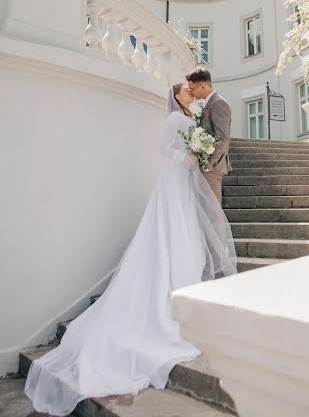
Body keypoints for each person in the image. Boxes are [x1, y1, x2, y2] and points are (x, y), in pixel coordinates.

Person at [24, 83, 237, 417]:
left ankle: (185, 287)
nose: (190, 95)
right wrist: (190, 154)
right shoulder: (172, 120)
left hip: (183, 188)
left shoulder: (188, 116)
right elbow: (167, 153)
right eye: (185, 91)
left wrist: (197, 151)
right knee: (172, 240)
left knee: (189, 243)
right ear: (178, 96)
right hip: (173, 188)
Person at [186, 68, 232, 205]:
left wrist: (209, 164)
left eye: (192, 88)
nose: (191, 92)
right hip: (205, 166)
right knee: (205, 212)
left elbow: (223, 138)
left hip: (212, 167)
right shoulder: (207, 103)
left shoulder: (219, 104)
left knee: (213, 212)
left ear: (203, 86)